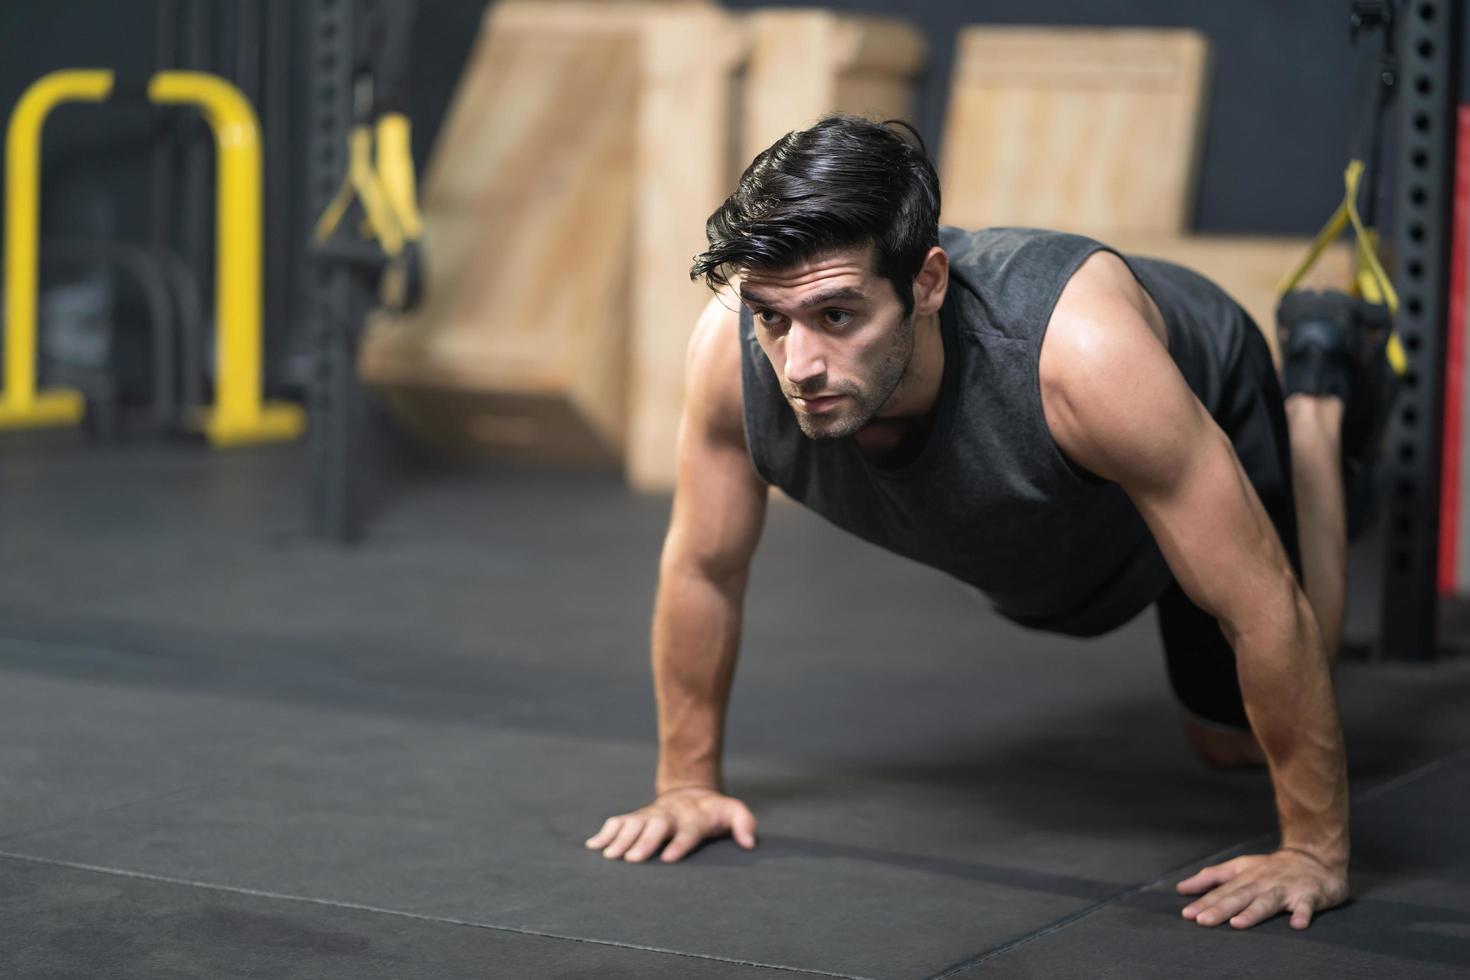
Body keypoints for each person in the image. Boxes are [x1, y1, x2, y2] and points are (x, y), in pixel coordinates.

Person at [586, 114, 1390, 931]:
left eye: (838, 316)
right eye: (773, 318)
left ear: (927, 284)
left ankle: (1317, 402)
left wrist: (1314, 854)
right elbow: (704, 568)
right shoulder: (734, 358)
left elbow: (1260, 608)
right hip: (1052, 511)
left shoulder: (1083, 358)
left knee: (1242, 736)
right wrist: (685, 783)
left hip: (1186, 400)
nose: (798, 367)